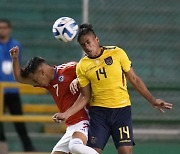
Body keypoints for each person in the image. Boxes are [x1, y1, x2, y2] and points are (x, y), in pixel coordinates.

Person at [54, 24, 173, 154]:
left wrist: (152, 100)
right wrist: (66, 114)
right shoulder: (82, 66)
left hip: (121, 112)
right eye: (83, 45)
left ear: (96, 40)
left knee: (125, 152)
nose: (87, 47)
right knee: (90, 152)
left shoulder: (117, 53)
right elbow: (85, 96)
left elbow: (134, 79)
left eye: (89, 42)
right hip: (99, 114)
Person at [9, 46, 98, 154]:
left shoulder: (70, 68)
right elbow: (19, 78)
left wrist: (78, 79)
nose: (36, 83)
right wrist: (15, 59)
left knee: (75, 146)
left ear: (42, 73)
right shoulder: (48, 83)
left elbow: (91, 72)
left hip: (84, 120)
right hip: (71, 126)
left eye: (36, 80)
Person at [0, 19, 35, 152]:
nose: (2, 30)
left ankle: (28, 147)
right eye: (0, 28)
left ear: (9, 29)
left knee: (19, 121)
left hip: (12, 89)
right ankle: (2, 146)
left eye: (4, 27)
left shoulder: (16, 45)